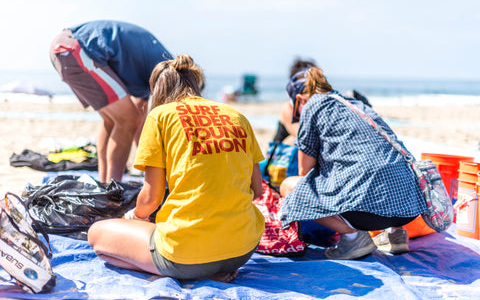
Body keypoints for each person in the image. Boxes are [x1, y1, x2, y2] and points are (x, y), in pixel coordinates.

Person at [87, 55, 265, 282]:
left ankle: (192, 272)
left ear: (157, 90)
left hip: (185, 254)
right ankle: (212, 271)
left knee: (98, 235)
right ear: (196, 83)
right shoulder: (236, 115)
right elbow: (257, 190)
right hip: (242, 249)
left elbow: (151, 199)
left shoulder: (160, 116)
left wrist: (132, 217)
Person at [279, 67, 427, 260]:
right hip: (409, 209)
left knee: (289, 187)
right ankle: (395, 234)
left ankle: (353, 237)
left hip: (368, 214)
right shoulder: (354, 103)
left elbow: (304, 172)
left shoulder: (311, 106)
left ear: (299, 100)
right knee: (382, 170)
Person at [50, 20, 173, 183]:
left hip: (68, 46)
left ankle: (105, 184)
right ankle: (113, 190)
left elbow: (142, 128)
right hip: (78, 48)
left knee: (113, 120)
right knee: (127, 119)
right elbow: (145, 128)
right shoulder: (169, 73)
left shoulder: (155, 68)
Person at [273, 58, 317, 145]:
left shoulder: (314, 104)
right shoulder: (288, 107)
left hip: (300, 150)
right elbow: (300, 135)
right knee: (296, 140)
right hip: (282, 153)